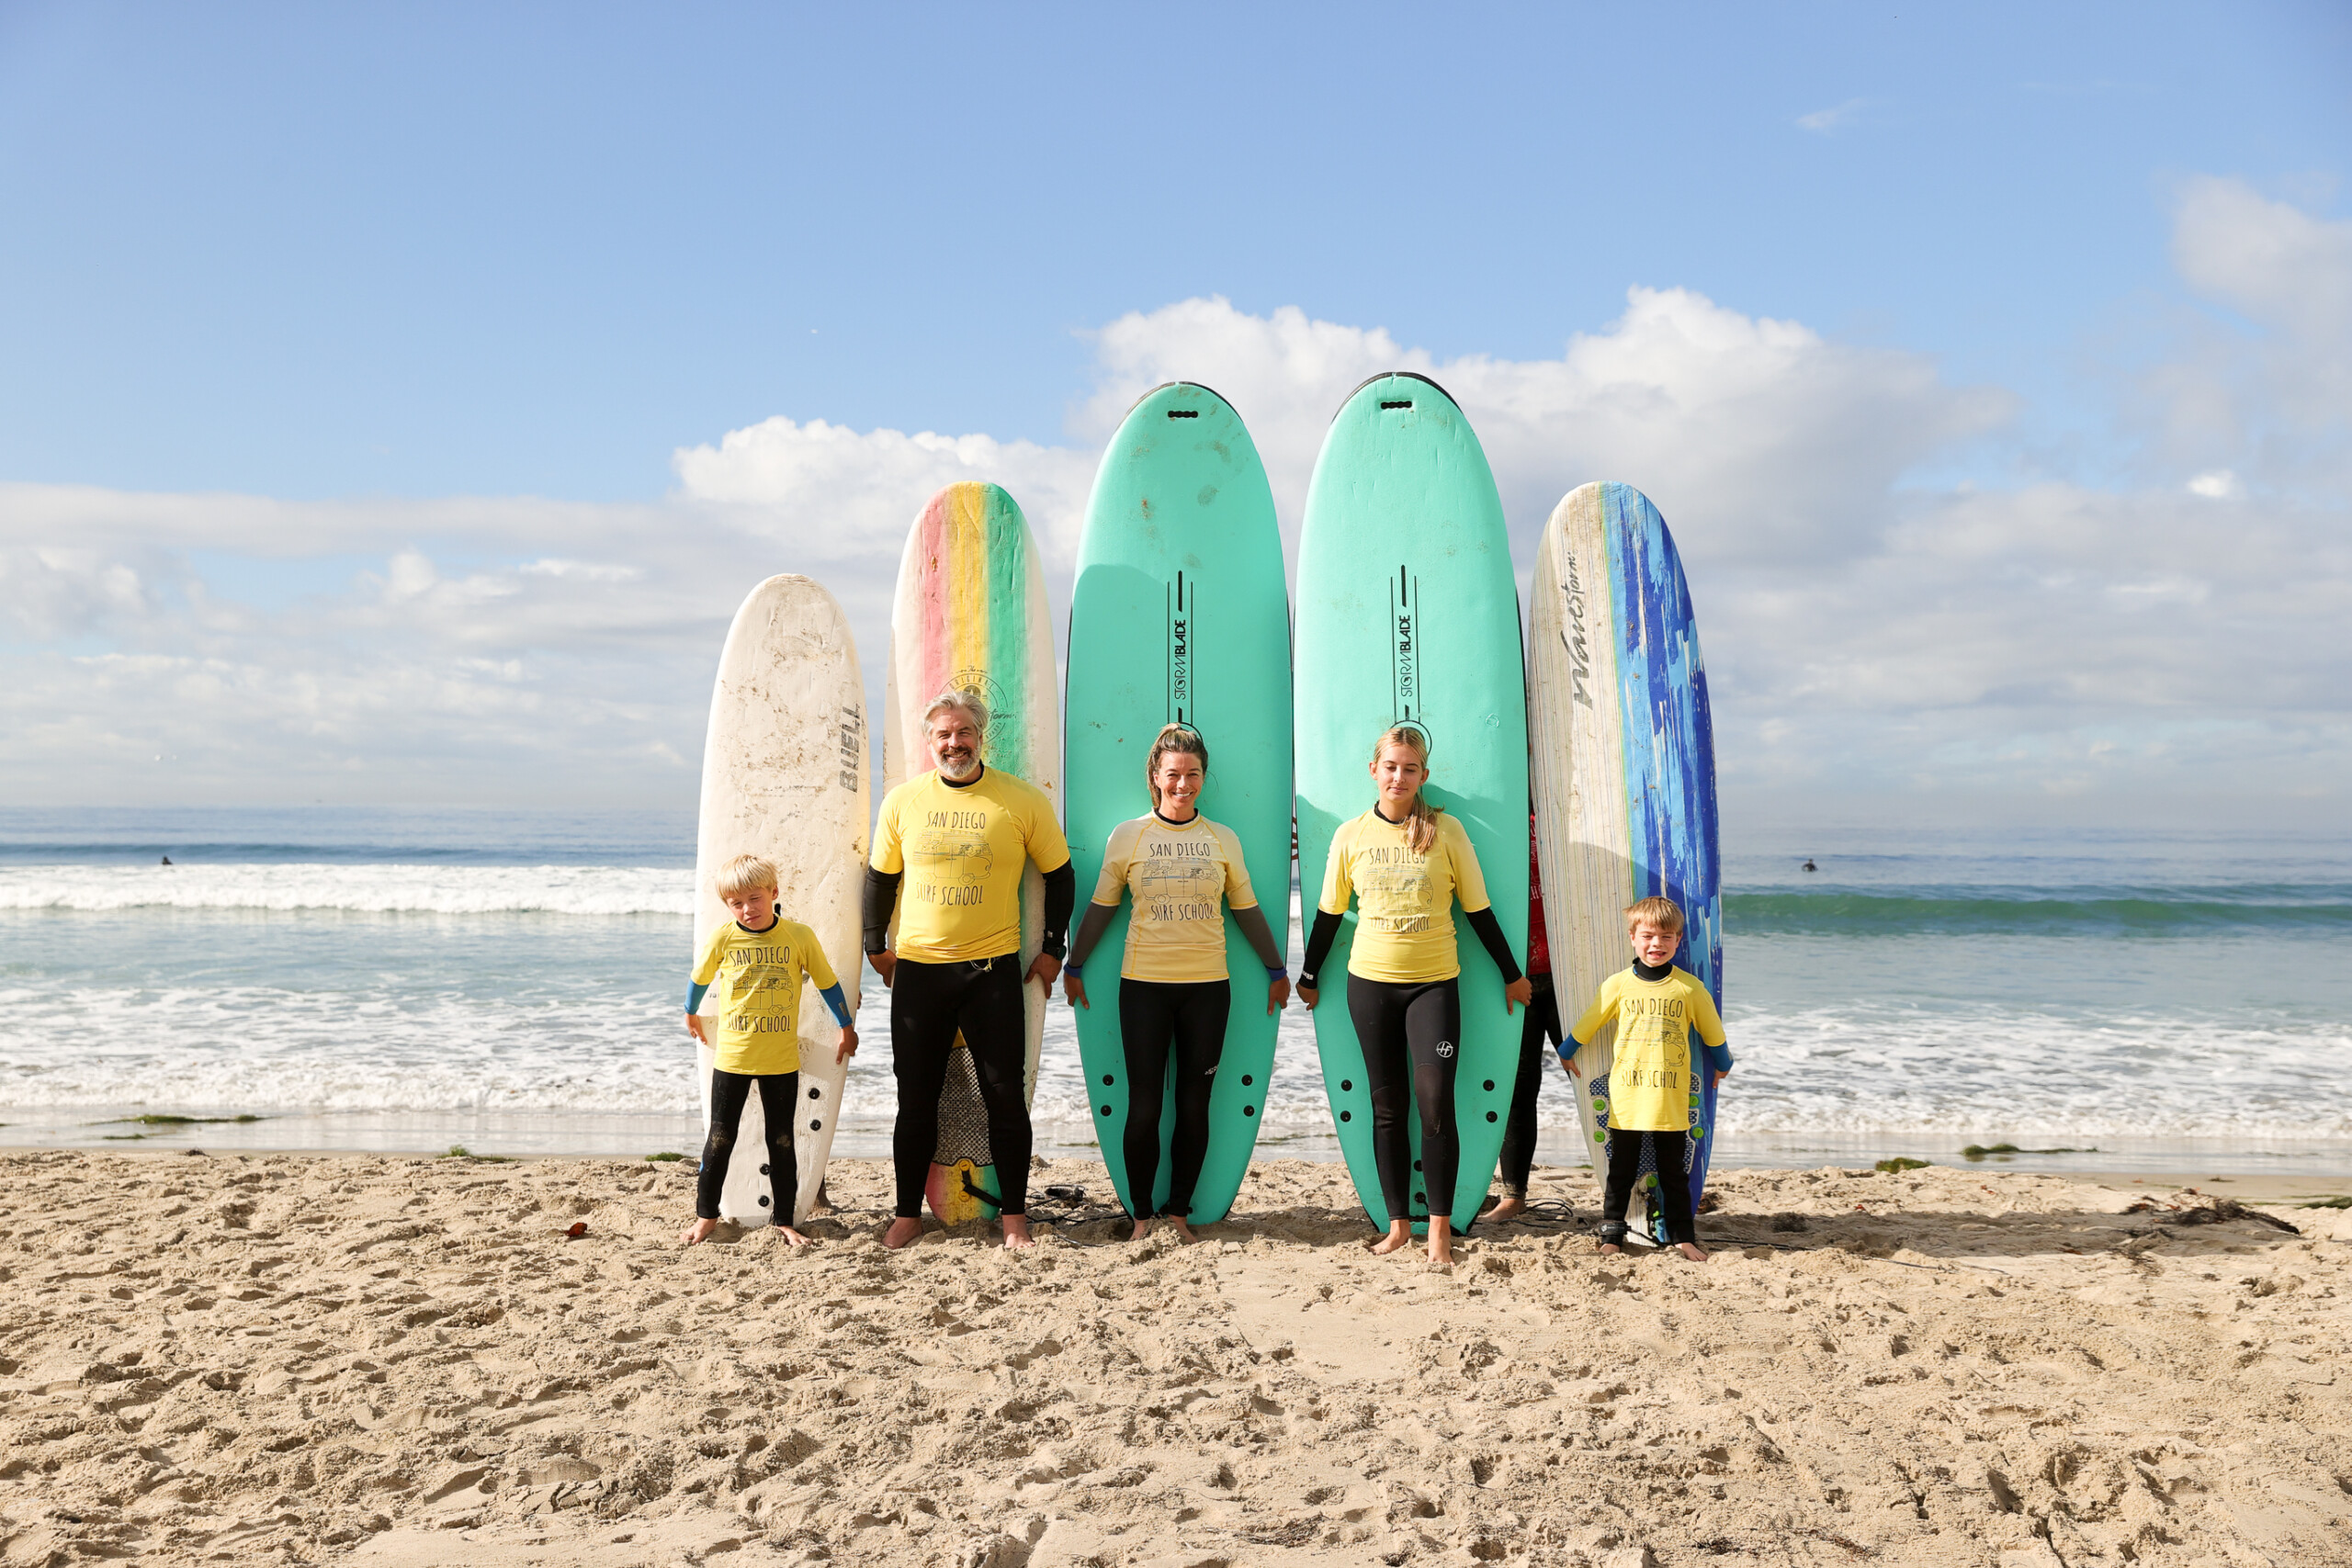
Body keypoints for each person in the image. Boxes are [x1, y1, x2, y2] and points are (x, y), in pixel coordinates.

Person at [1297, 726, 1532, 1265]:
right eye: (1390, 767)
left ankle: (1441, 1233)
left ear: (1423, 776)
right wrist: (1309, 976)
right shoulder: (1351, 835)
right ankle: (1398, 1225)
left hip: (1433, 986)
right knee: (1386, 1108)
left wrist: (1510, 973)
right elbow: (1330, 914)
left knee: (1434, 1107)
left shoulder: (1446, 832)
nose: (1398, 777)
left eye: (1409, 768)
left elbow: (1478, 909)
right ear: (1374, 771)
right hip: (1369, 985)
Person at [863, 690, 1074, 1251]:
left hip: (991, 973)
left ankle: (1014, 1219)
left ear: (981, 736)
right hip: (920, 973)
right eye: (942, 735)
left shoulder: (1021, 801)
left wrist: (1054, 949)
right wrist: (872, 945)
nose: (953, 744)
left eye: (963, 733)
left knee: (1004, 1096)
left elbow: (1060, 874)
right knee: (916, 1097)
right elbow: (880, 879)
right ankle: (907, 1213)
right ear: (929, 742)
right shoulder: (903, 802)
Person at [1062, 725, 1290, 1242]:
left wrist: (1276, 970)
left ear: (1203, 777)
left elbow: (1247, 910)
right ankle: (1142, 1216)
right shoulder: (1129, 836)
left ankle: (1180, 1213)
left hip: (1208, 988)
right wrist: (1075, 966)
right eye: (1173, 775)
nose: (1182, 784)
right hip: (1143, 986)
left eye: (1192, 775)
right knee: (1144, 1105)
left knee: (1194, 1104)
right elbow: (1100, 907)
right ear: (1155, 777)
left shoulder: (1222, 838)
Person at [682, 853, 858, 1247]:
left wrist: (846, 1026)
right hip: (733, 1058)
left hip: (780, 1061)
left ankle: (784, 1220)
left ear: (773, 893)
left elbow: (828, 983)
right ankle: (706, 1216)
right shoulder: (724, 938)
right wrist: (690, 1013)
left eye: (755, 898)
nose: (747, 909)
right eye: (737, 903)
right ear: (728, 906)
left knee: (781, 1140)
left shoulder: (799, 936)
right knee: (720, 1138)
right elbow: (699, 978)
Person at [1560, 895, 1733, 1261]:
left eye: (1667, 937)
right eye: (1649, 936)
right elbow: (1592, 1021)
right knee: (1620, 1173)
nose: (1657, 944)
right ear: (1633, 938)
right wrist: (1566, 1050)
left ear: (1679, 941)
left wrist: (1723, 1062)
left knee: (1674, 1174)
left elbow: (1712, 1031)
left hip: (1670, 1099)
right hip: (1626, 1098)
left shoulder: (1688, 988)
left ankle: (1683, 1236)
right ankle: (1611, 1235)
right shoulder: (1618, 984)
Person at [1488, 818, 1565, 1222]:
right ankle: (1513, 1194)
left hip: (1570, 975)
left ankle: (1622, 1187)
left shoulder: (1561, 815)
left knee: (1597, 1083)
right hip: (1515, 977)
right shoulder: (1492, 819)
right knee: (1518, 1088)